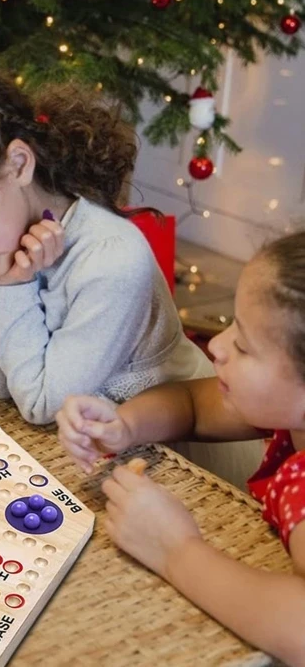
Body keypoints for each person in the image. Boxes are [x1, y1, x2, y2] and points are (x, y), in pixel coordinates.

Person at [0, 65, 212, 424]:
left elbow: (42, 404)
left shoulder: (111, 259)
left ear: (18, 165)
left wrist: (15, 287)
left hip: (175, 456)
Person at [57, 231, 305, 664]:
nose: (216, 345)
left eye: (244, 346)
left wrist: (175, 549)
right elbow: (191, 405)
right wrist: (125, 424)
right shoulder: (287, 410)